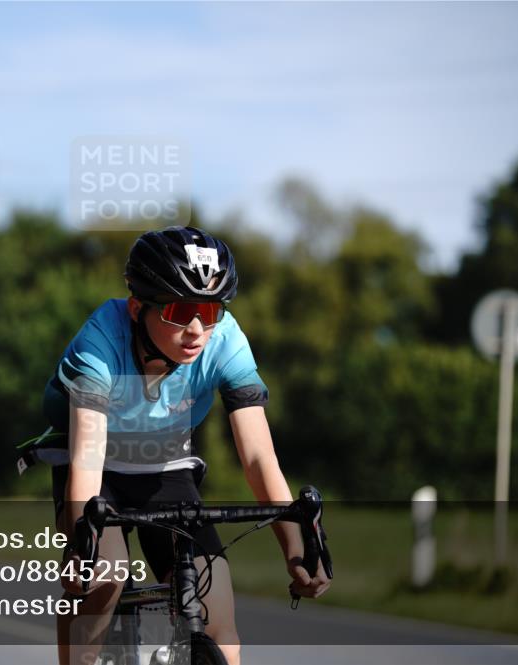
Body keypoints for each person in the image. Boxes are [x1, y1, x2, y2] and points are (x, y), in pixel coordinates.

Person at [26, 226, 331, 665]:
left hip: (165, 465)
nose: (196, 329)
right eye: (179, 311)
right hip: (96, 469)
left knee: (217, 619)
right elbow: (88, 459)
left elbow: (258, 458)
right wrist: (81, 548)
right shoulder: (100, 343)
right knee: (105, 577)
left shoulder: (225, 340)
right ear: (137, 308)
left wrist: (296, 550)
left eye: (209, 311)